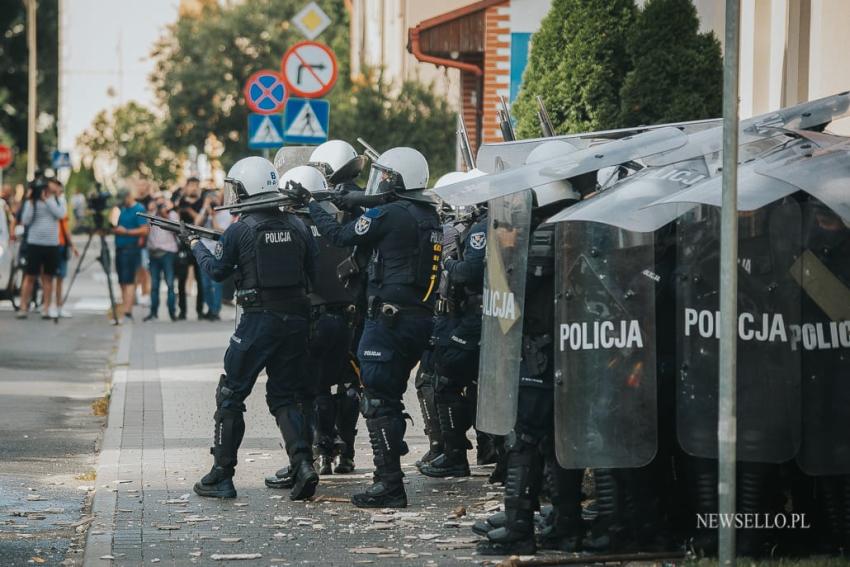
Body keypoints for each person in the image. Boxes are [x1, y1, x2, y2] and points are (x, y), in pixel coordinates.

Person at [286, 147, 442, 508]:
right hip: (418, 318)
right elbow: (380, 227)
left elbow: (340, 236)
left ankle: (389, 483)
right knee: (388, 397)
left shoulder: (390, 214)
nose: (380, 181)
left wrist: (312, 203)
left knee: (377, 400)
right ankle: (390, 464)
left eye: (386, 176)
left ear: (399, 180)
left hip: (390, 320)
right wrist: (356, 200)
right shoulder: (427, 214)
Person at [188, 156, 319, 501]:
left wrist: (195, 247)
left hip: (259, 320)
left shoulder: (241, 229)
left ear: (246, 187)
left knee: (231, 394)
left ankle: (221, 475)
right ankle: (303, 464)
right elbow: (313, 273)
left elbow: (218, 272)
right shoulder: (298, 225)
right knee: (285, 395)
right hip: (296, 319)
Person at [17, 175, 67, 319]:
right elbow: (25, 220)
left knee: (48, 277)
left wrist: (48, 200)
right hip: (35, 243)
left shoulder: (56, 200)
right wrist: (32, 202)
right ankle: (23, 306)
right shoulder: (31, 202)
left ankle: (46, 307)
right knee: (30, 276)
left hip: (51, 244)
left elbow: (61, 214)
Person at [111, 189, 149, 323]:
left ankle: (127, 312)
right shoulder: (122, 209)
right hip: (120, 248)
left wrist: (126, 232)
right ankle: (125, 307)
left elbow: (145, 230)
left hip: (131, 249)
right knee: (121, 280)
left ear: (129, 196)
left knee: (129, 281)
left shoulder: (139, 209)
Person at [174, 176, 206, 320]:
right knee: (181, 280)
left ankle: (200, 310)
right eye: (191, 185)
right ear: (186, 186)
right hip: (183, 245)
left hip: (199, 243)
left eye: (196, 185)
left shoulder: (202, 202)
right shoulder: (180, 201)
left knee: (200, 279)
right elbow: (177, 220)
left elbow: (200, 221)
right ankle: (182, 311)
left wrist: (190, 210)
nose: (193, 188)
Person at [144, 198, 179, 321]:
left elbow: (178, 230)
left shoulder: (172, 214)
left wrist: (166, 215)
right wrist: (152, 211)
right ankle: (153, 312)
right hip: (153, 254)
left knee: (170, 284)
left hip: (168, 253)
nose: (160, 206)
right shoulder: (151, 214)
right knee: (154, 285)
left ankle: (172, 312)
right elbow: (145, 229)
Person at [54, 179, 78, 318]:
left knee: (60, 277)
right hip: (51, 244)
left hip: (61, 244)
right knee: (48, 277)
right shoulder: (48, 203)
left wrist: (72, 245)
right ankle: (47, 305)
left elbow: (65, 227)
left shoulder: (61, 204)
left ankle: (58, 306)